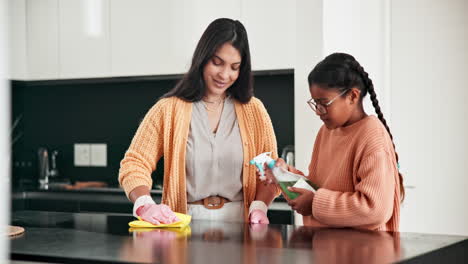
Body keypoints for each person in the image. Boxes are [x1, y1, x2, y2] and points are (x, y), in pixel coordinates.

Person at [118, 18, 279, 224]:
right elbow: (134, 163)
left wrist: (259, 207)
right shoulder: (168, 109)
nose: (225, 74)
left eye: (234, 67)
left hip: (241, 224)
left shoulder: (254, 111)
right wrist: (144, 203)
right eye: (217, 63)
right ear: (202, 58)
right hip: (184, 222)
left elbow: (270, 173)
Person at [267, 53, 403, 231]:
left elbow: (375, 209)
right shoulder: (325, 132)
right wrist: (285, 175)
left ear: (353, 96)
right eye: (315, 103)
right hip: (327, 249)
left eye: (324, 103)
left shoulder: (372, 136)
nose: (318, 111)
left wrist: (315, 204)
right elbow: (317, 188)